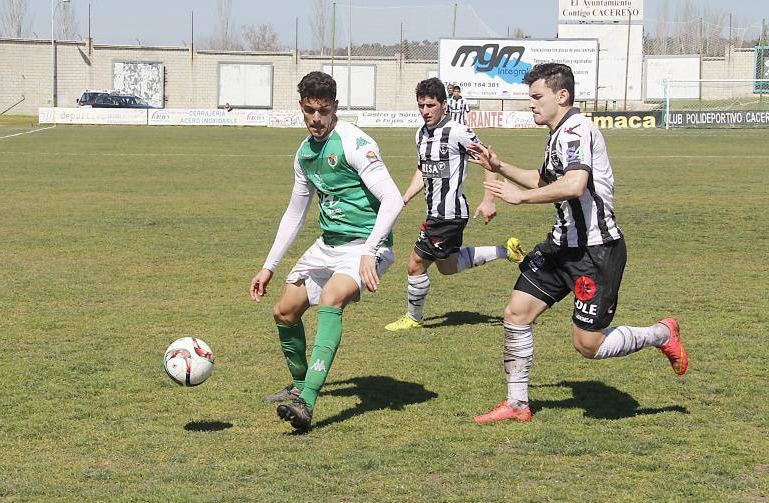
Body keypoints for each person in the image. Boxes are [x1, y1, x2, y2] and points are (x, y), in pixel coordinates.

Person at [468, 63, 688, 423]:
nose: (531, 104)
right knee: (516, 314)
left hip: (596, 251)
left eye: (537, 97)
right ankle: (518, 404)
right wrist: (500, 164)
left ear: (562, 95)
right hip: (561, 248)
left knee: (588, 345)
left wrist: (519, 199)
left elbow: (574, 185)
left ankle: (661, 333)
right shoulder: (558, 134)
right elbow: (543, 179)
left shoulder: (575, 130)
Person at [250, 71, 404, 430]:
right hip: (328, 245)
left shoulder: (354, 143)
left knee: (332, 299)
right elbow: (295, 213)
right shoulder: (304, 154)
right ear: (301, 108)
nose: (316, 119)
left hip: (366, 246)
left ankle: (307, 402)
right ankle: (301, 385)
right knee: (285, 311)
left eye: (323, 110)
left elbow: (393, 198)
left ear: (335, 106)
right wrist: (268, 266)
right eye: (309, 111)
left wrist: (370, 250)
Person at [384, 77, 523, 332]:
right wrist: (405, 197)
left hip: (447, 214)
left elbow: (488, 159)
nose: (425, 111)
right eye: (421, 105)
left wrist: (489, 198)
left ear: (444, 105)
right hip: (436, 212)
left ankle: (414, 317)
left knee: (415, 264)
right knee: (448, 267)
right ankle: (505, 251)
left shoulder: (457, 131)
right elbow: (422, 171)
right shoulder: (421, 134)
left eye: (430, 105)